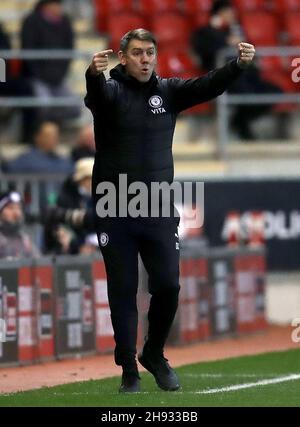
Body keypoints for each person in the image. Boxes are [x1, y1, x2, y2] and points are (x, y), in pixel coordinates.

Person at [85, 28, 255, 393]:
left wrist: (237, 66)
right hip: (114, 206)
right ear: (123, 57)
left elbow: (208, 86)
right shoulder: (111, 92)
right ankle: (128, 367)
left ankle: (154, 353)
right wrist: (92, 74)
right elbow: (96, 96)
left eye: (150, 53)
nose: (145, 60)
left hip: (157, 207)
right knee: (123, 287)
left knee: (168, 285)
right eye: (137, 53)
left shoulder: (169, 91)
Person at [191, 0, 282, 140]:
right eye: (227, 12)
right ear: (217, 14)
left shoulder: (237, 32)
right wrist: (225, 39)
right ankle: (241, 126)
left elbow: (251, 53)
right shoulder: (205, 32)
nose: (231, 15)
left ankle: (239, 121)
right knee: (244, 92)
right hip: (225, 78)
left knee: (274, 91)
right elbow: (206, 52)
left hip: (248, 77)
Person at [20, 0, 80, 127]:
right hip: (36, 78)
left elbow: (69, 50)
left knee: (75, 107)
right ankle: (41, 132)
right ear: (46, 6)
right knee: (43, 104)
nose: (60, 8)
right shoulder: (31, 21)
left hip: (58, 79)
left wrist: (58, 75)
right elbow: (27, 52)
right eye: (56, 4)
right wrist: (41, 76)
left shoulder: (65, 22)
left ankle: (52, 127)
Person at [0, 191, 40, 258]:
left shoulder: (25, 240)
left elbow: (40, 263)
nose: (16, 213)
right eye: (10, 208)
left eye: (19, 208)